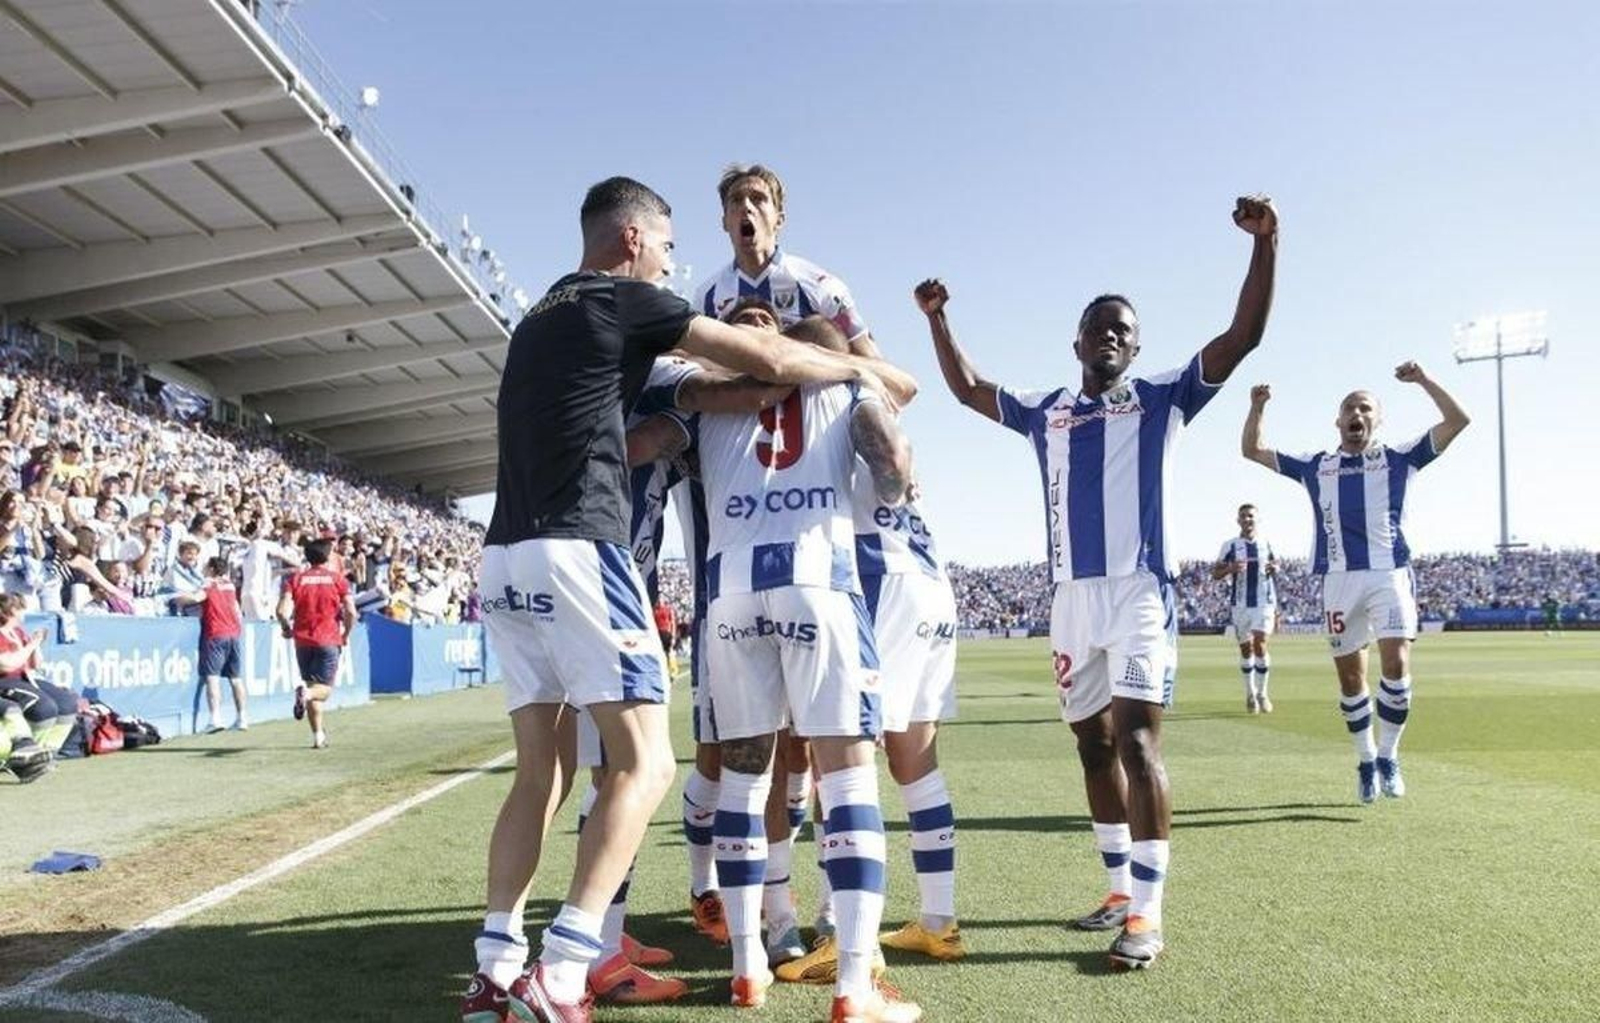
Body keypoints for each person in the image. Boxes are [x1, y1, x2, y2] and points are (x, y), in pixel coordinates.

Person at [463, 176, 898, 1023]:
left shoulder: (538, 318)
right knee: (646, 763)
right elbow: (765, 374)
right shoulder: (626, 301)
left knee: (540, 774)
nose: (671, 263)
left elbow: (689, 404)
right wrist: (857, 364)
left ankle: (496, 963)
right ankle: (565, 971)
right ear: (631, 240)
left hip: (503, 555)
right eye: (665, 246)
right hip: (581, 551)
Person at [916, 193, 1279, 971]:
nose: (1113, 335)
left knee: (1141, 745)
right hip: (1070, 602)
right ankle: (1119, 888)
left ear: (1135, 347)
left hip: (1139, 593)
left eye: (1127, 329)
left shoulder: (1162, 400)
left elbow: (1242, 335)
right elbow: (971, 390)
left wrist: (1266, 244)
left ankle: (1148, 916)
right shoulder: (1046, 411)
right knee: (1092, 746)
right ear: (1078, 340)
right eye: (1101, 326)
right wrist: (939, 321)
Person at [687, 310, 921, 1021]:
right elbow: (890, 463)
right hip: (817, 580)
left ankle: (747, 966)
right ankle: (854, 982)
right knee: (847, 775)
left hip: (731, 593)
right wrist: (892, 480)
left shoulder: (704, 399)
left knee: (743, 779)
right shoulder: (840, 383)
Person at [1240, 362, 1469, 803]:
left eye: (1365, 408)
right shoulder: (1316, 465)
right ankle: (1365, 759)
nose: (1356, 414)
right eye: (1349, 408)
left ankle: (1388, 755)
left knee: (1397, 665)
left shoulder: (1401, 458)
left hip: (1389, 574)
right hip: (1339, 580)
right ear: (1338, 421)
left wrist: (1423, 380)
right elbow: (1252, 449)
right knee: (1350, 679)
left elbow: (1458, 420)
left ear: (1376, 420)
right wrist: (1257, 407)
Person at [694, 164, 879, 356]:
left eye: (758, 199)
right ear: (724, 222)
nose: (746, 207)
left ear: (779, 219)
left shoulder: (821, 285)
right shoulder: (706, 297)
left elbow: (871, 361)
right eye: (736, 200)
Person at [276, 538, 355, 750]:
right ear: (328, 556)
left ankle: (318, 737)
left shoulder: (296, 579)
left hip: (302, 640)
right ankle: (306, 695)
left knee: (313, 685)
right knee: (323, 691)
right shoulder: (337, 580)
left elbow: (282, 610)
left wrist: (285, 627)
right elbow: (351, 611)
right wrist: (346, 633)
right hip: (328, 638)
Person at [1211, 504, 1279, 712]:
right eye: (1244, 516)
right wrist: (1231, 568)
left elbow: (1275, 564)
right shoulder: (1230, 545)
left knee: (1260, 643)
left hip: (1264, 602)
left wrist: (1274, 567)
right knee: (1246, 649)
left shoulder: (1266, 543)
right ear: (1238, 520)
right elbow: (1215, 573)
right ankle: (1250, 694)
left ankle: (1262, 693)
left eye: (1251, 516)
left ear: (1257, 520)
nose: (1247, 519)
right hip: (1240, 604)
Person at [175, 556, 248, 733]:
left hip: (215, 633)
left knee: (212, 677)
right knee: (236, 679)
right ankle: (242, 718)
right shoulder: (230, 586)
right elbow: (236, 610)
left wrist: (177, 598)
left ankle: (215, 719)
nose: (204, 569)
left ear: (212, 569)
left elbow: (196, 598)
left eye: (207, 567)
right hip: (234, 634)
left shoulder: (208, 584)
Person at [0, 592, 77, 755]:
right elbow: (6, 665)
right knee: (45, 708)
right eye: (21, 608)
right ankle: (26, 754)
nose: (24, 613)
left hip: (25, 678)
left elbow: (35, 664)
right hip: (5, 681)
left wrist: (36, 644)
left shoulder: (18, 632)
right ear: (12, 610)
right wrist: (32, 644)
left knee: (67, 703)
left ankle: (48, 751)